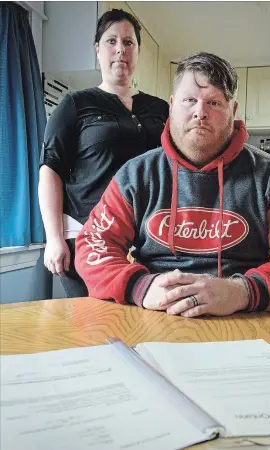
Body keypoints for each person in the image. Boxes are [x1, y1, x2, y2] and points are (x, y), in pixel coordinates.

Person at [75, 52, 270, 317]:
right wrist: (140, 287)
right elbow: (93, 244)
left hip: (246, 318)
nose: (200, 112)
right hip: (154, 315)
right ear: (172, 105)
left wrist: (242, 291)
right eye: (189, 100)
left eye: (214, 102)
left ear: (233, 110)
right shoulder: (135, 175)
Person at [38, 9, 169, 298]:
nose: (120, 49)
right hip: (87, 237)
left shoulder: (159, 109)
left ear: (137, 51)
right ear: (97, 50)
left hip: (147, 240)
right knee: (95, 327)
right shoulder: (75, 103)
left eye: (128, 42)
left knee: (143, 325)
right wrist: (54, 238)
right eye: (111, 41)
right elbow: (50, 170)